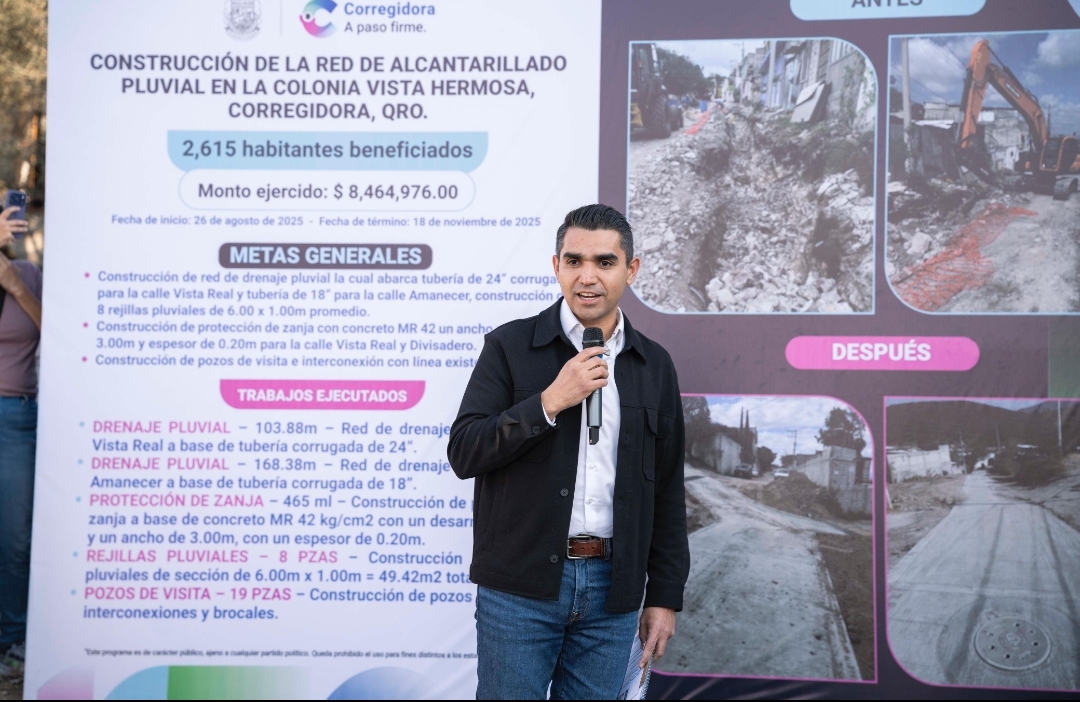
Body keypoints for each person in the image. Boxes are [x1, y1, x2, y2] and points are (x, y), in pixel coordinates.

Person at [448, 204, 689, 699]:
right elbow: (465, 452)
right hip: (519, 588)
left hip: (614, 592)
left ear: (631, 270)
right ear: (556, 266)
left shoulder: (654, 365)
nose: (588, 277)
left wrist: (664, 596)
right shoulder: (510, 346)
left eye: (605, 262)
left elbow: (667, 491)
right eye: (574, 261)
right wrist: (550, 402)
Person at [0, 205, 40, 679]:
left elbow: (62, 335)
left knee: (14, 539)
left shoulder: (28, 274)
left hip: (16, 416)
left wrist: (14, 285)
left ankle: (11, 642)